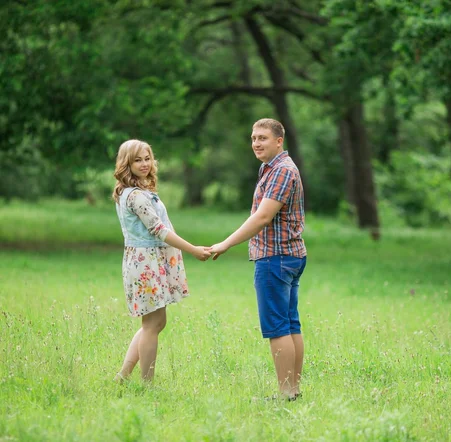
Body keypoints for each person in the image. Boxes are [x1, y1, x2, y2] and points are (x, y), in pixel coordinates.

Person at [209, 118, 307, 400]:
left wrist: (226, 243)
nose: (256, 143)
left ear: (279, 141)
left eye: (262, 138)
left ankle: (286, 392)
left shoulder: (281, 171)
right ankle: (293, 390)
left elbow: (263, 217)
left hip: (275, 258)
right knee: (289, 324)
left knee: (278, 328)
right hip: (288, 255)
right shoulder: (272, 168)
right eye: (253, 138)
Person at [112, 139, 211, 382]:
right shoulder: (136, 196)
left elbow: (165, 227)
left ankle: (123, 376)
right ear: (127, 164)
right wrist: (193, 249)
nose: (145, 164)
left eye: (147, 158)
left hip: (148, 260)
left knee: (156, 322)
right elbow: (158, 230)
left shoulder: (138, 192)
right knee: (152, 324)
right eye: (137, 160)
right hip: (146, 263)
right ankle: (146, 384)